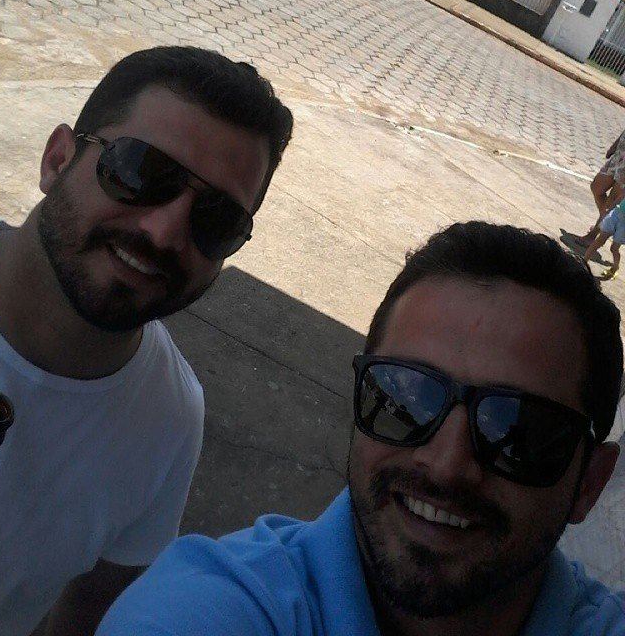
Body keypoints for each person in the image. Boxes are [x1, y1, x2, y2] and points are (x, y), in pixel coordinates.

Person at [97, 221, 624, 636]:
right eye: (406, 397)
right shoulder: (208, 608)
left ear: (591, 483)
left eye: (518, 431)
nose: (446, 466)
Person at [0, 46, 293, 636]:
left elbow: (91, 607)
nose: (165, 231)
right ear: (57, 159)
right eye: (140, 172)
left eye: (216, 220)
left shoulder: (170, 418)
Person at [576, 132, 625, 246]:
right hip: (619, 156)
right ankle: (606, 223)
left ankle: (592, 236)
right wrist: (614, 146)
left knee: (612, 201)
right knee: (596, 187)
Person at [583, 198, 625, 280]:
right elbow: (620, 197)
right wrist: (608, 211)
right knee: (598, 241)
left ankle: (615, 267)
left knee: (614, 248)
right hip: (616, 214)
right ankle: (583, 262)